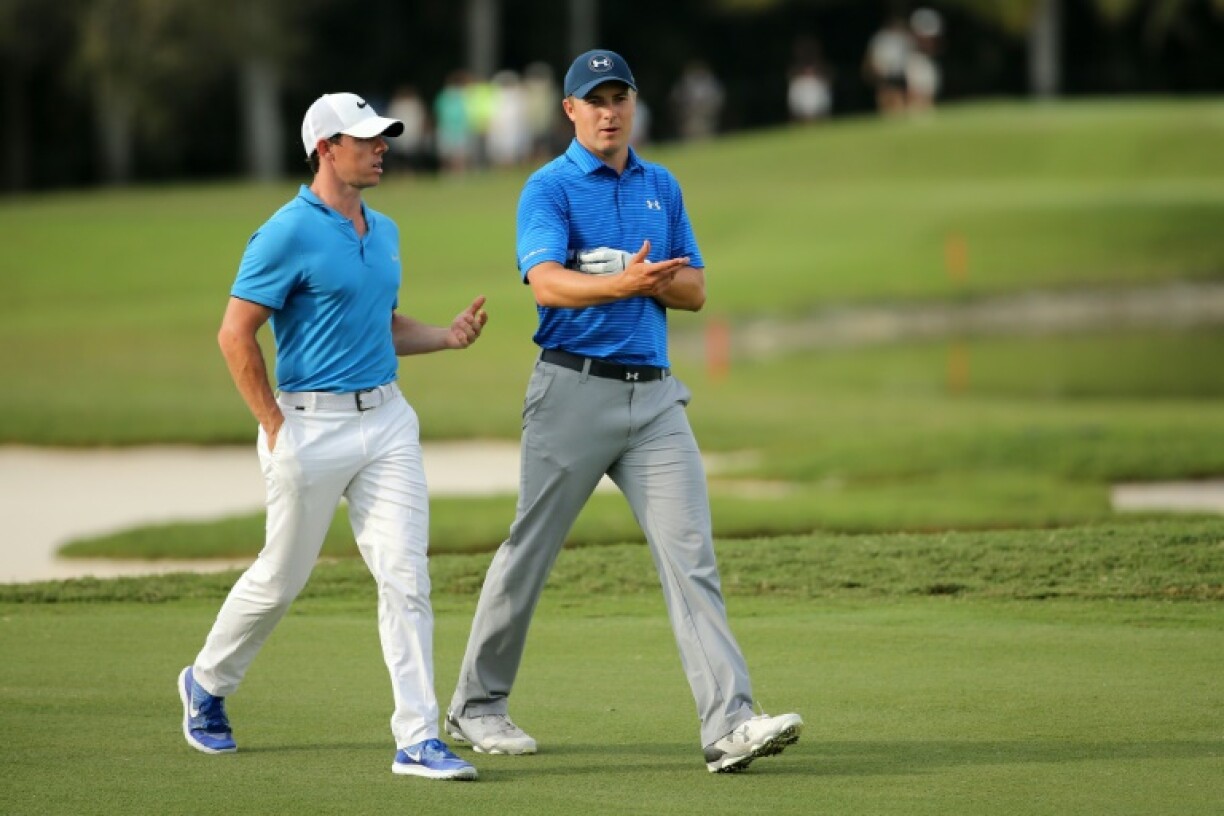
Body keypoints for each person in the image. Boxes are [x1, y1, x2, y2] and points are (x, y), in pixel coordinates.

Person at [444, 49, 802, 774]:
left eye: (620, 98)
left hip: (657, 399)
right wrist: (626, 279)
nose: (609, 111)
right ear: (570, 111)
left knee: (690, 559)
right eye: (594, 99)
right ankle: (476, 705)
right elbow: (545, 285)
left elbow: (696, 289)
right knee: (530, 553)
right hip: (571, 393)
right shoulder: (547, 189)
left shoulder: (660, 185)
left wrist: (634, 278)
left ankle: (729, 724)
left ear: (634, 105)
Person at [177, 92, 488, 781]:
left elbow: (379, 323)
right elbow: (235, 334)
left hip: (387, 424)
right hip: (306, 429)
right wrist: (275, 427)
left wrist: (446, 336)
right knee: (281, 580)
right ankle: (205, 683)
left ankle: (417, 738)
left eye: (383, 138)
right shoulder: (285, 232)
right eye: (366, 139)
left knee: (406, 577)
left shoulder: (387, 231)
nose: (382, 147)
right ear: (325, 148)